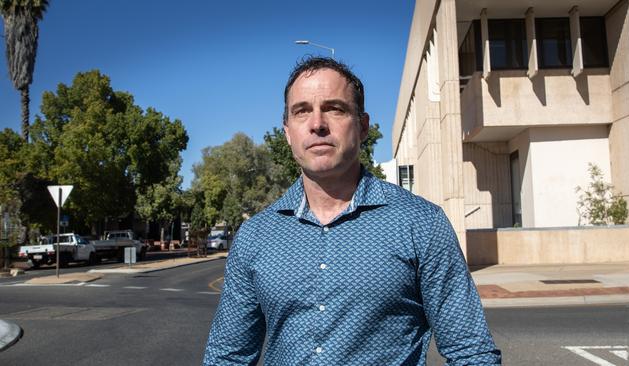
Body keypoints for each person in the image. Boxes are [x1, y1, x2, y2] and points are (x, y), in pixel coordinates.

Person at [203, 56, 501, 365]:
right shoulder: (255, 236)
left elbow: (471, 352)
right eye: (302, 111)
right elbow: (228, 356)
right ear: (288, 132)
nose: (317, 124)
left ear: (362, 126)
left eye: (334, 108)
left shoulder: (420, 223)